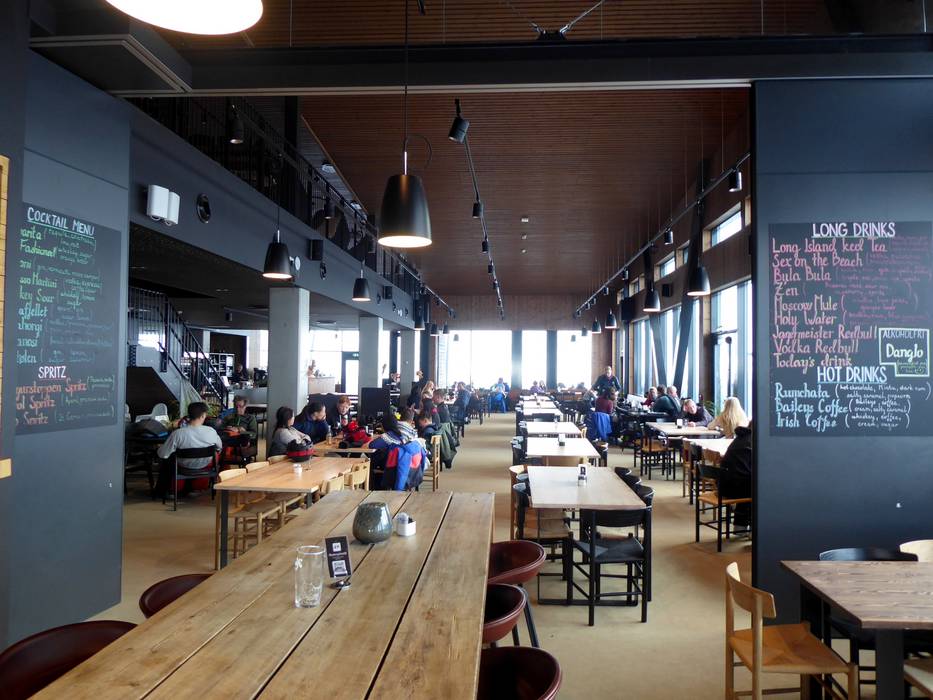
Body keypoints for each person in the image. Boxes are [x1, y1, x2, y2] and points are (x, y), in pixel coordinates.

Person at [156, 402, 222, 495]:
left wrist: (159, 448)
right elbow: (219, 447)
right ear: (203, 415)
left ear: (189, 415)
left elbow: (162, 454)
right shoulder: (211, 431)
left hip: (183, 465)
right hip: (205, 464)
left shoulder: (178, 433)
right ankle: (194, 488)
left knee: (168, 457)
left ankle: (168, 490)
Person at [718, 421, 753, 527]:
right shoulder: (753, 441)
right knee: (759, 490)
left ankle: (740, 526)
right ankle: (753, 528)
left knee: (749, 482)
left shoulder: (741, 438)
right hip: (735, 489)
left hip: (724, 486)